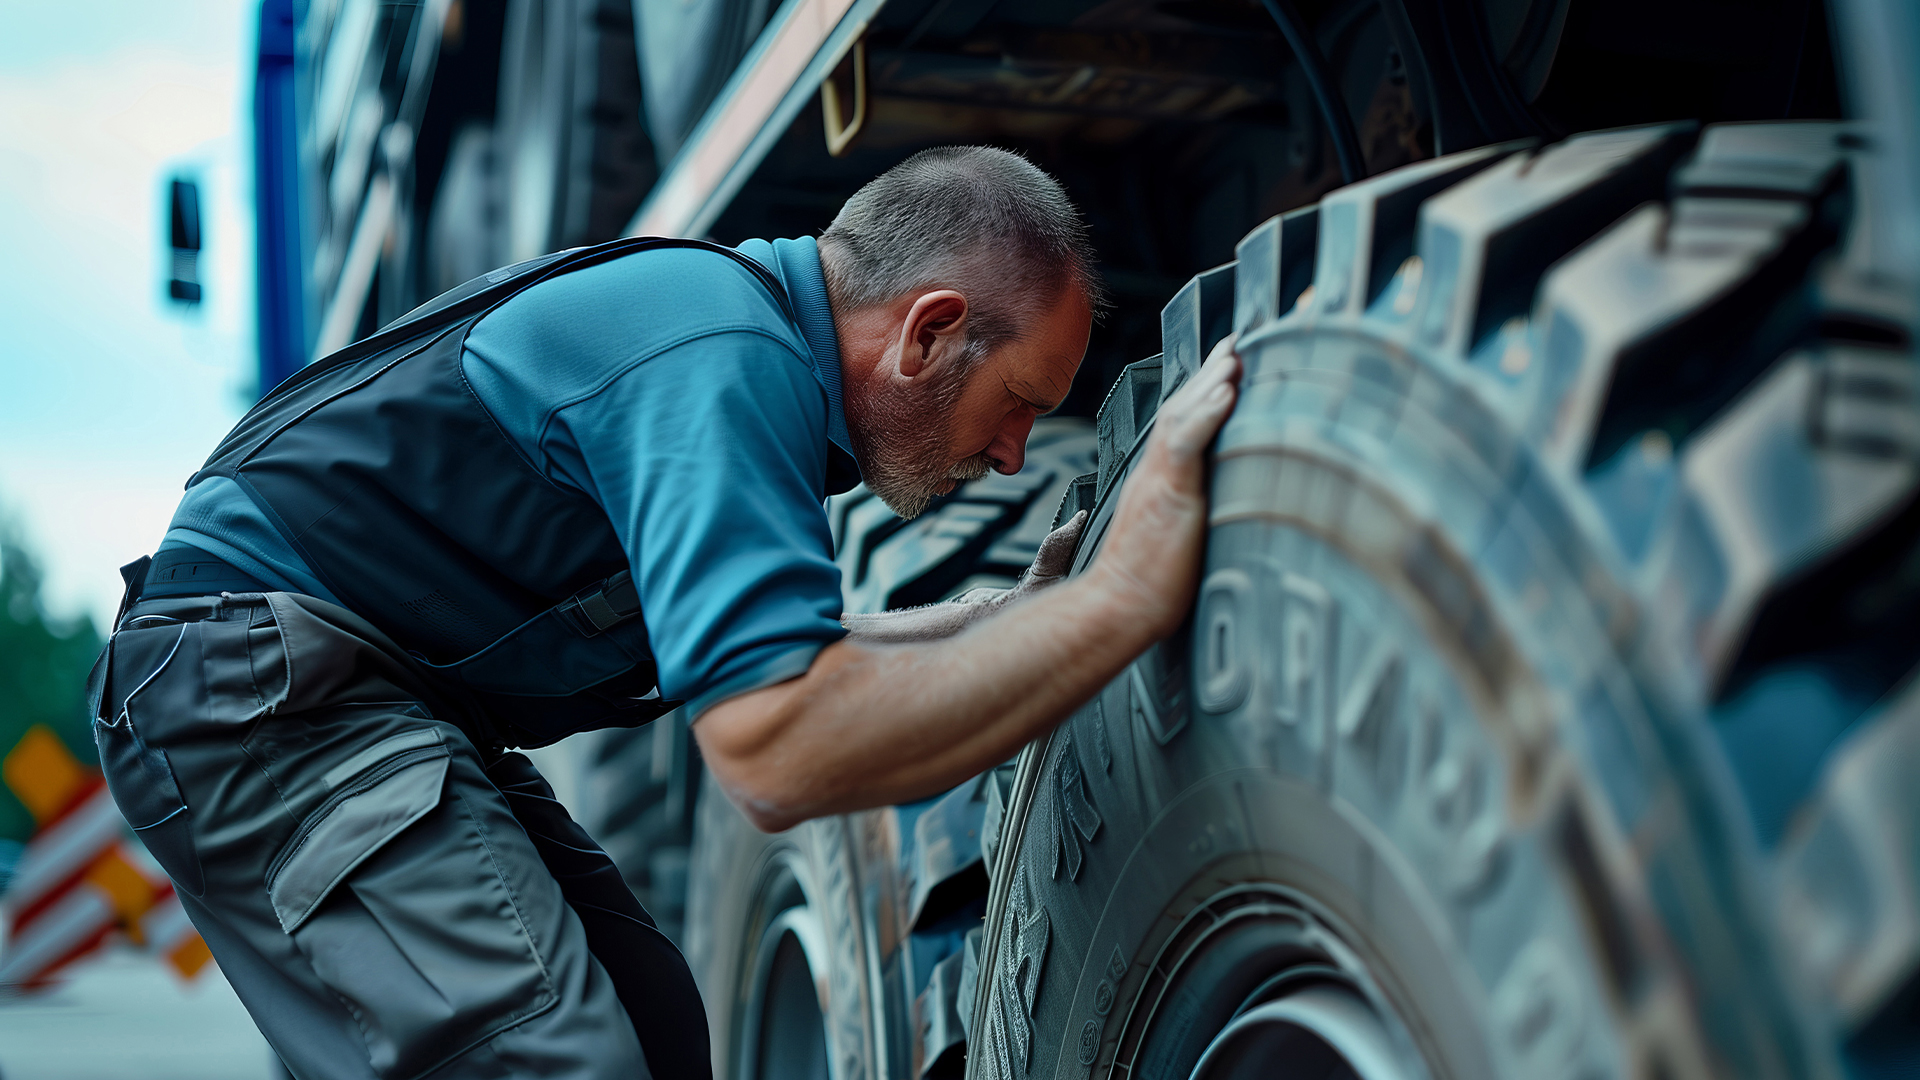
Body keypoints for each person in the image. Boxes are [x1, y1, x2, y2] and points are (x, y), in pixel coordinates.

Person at [89, 146, 1240, 1080]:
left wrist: (1030, 614)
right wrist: (1127, 600)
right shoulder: (718, 350)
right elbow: (777, 748)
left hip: (350, 687)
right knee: (552, 1063)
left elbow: (803, 668)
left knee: (649, 1026)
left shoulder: (739, 351)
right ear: (929, 331)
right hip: (253, 686)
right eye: (1018, 405)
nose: (1011, 456)